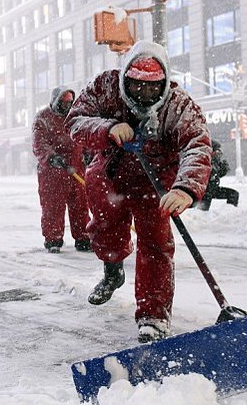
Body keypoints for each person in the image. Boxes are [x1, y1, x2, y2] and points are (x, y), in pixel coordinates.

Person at [66, 41, 212, 343]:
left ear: (164, 84)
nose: (144, 95)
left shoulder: (179, 105)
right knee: (106, 228)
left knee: (156, 244)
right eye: (137, 87)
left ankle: (153, 316)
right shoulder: (105, 87)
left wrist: (185, 189)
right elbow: (76, 120)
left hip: (155, 183)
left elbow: (197, 145)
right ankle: (112, 269)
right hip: (111, 174)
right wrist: (107, 128)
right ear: (125, 80)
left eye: (152, 88)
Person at [31, 87, 92, 253]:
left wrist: (88, 154)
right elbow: (39, 143)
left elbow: (83, 138)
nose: (66, 106)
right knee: (53, 207)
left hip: (76, 169)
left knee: (80, 206)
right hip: (52, 173)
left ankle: (83, 238)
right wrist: (51, 157)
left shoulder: (75, 117)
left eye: (68, 102)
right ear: (55, 101)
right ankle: (53, 240)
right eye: (62, 102)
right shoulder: (43, 118)